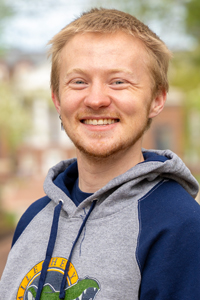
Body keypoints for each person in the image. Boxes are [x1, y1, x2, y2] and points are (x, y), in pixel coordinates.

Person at [1, 7, 200, 300]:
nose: (96, 99)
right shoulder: (34, 218)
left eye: (118, 81)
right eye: (79, 81)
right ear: (57, 98)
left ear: (157, 99)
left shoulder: (180, 225)